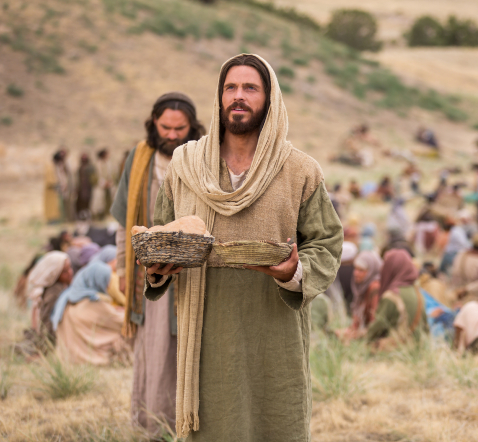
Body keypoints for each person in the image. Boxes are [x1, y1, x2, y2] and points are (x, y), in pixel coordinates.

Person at [143, 54, 343, 440]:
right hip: (207, 333)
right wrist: (157, 268)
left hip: (274, 334)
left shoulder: (300, 170)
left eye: (250, 88)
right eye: (230, 88)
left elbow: (327, 243)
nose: (239, 96)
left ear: (270, 98)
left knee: (275, 424)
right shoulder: (184, 166)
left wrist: (294, 272)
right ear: (219, 98)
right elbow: (161, 234)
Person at [110, 91, 206, 436]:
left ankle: (194, 425)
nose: (172, 134)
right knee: (156, 347)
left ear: (191, 127)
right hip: (149, 270)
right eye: (165, 127)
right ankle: (155, 424)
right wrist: (123, 269)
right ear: (154, 123)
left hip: (197, 269)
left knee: (194, 345)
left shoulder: (206, 156)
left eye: (180, 128)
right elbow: (125, 221)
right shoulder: (139, 158)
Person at [51, 256, 126, 365]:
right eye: (105, 281)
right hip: (91, 356)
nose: (107, 285)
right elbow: (122, 322)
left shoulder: (69, 299)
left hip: (69, 356)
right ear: (97, 281)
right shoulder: (94, 304)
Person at [364, 249, 427, 349]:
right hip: (416, 348)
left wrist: (364, 340)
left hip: (395, 350)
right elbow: (425, 326)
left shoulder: (392, 295)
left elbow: (379, 325)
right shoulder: (418, 293)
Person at [25, 251, 73, 349]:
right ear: (54, 273)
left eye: (70, 268)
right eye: (65, 271)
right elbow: (46, 321)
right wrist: (48, 345)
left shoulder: (62, 286)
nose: (70, 272)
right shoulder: (54, 292)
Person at [347, 251, 383, 337]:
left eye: (361, 270)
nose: (355, 273)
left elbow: (374, 322)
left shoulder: (374, 288)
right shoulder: (362, 286)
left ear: (371, 271)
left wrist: (356, 335)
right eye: (355, 268)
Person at [44, 149, 74, 223]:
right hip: (50, 191)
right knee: (51, 206)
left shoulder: (55, 166)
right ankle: (51, 221)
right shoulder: (50, 166)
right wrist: (58, 185)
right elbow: (50, 181)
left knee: (56, 207)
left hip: (56, 191)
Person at [91, 148, 117, 220]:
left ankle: (109, 215)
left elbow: (113, 174)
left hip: (109, 185)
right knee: (98, 202)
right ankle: (98, 217)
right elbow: (94, 176)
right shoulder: (96, 164)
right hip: (99, 186)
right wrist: (102, 182)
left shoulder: (110, 164)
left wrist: (110, 181)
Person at [75, 153, 98, 220]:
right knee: (82, 203)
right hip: (81, 189)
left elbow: (93, 178)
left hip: (88, 188)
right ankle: (83, 216)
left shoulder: (90, 167)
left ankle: (88, 216)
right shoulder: (80, 168)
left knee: (88, 202)